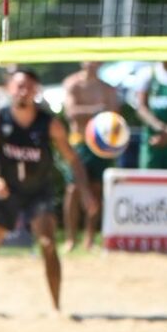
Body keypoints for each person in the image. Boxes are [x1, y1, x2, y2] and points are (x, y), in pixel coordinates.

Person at [0, 67, 95, 314]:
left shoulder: (49, 124)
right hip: (6, 191)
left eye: (28, 87)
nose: (23, 91)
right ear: (9, 88)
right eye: (19, 86)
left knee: (48, 244)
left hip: (38, 191)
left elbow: (72, 159)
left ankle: (57, 306)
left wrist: (85, 191)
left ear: (36, 91)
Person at [59, 62, 122, 250]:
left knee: (96, 189)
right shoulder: (73, 84)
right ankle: (70, 239)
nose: (92, 63)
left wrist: (91, 113)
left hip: (101, 145)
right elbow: (71, 113)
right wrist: (95, 111)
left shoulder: (107, 88)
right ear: (82, 61)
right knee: (73, 190)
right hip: (79, 142)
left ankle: (89, 239)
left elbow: (114, 116)